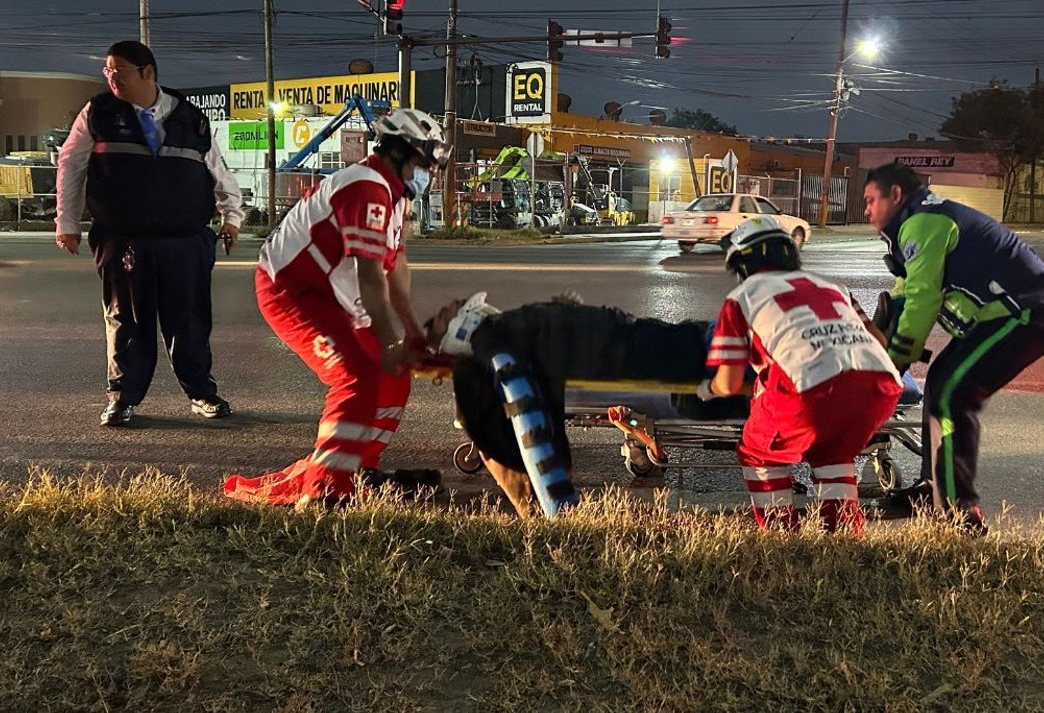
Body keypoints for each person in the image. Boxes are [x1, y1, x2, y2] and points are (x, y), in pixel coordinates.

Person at [222, 108, 446, 507]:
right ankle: (325, 492)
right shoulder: (365, 187)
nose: (429, 173)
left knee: (394, 375)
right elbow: (371, 276)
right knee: (356, 377)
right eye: (425, 162)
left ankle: (359, 469)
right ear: (399, 153)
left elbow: (396, 268)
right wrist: (391, 339)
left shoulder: (395, 195)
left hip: (336, 296)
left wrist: (411, 334)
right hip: (293, 291)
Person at [862, 163, 1044, 536]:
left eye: (871, 200)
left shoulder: (923, 223)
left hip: (1025, 313)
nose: (866, 210)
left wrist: (896, 362)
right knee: (941, 381)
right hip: (1007, 313)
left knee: (952, 394)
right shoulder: (916, 222)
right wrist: (884, 338)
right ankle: (933, 489)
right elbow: (905, 294)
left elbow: (923, 300)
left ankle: (959, 511)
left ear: (895, 195)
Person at [55, 40, 244, 427]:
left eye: (119, 71)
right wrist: (67, 222)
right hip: (123, 238)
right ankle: (122, 397)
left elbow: (217, 169)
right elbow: (71, 165)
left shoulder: (190, 118)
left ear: (148, 72)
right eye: (107, 71)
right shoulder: (99, 113)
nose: (111, 78)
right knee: (126, 319)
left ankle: (202, 392)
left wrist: (232, 216)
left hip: (186, 241)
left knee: (190, 320)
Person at [698, 216, 904, 533]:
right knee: (833, 452)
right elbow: (879, 341)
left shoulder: (742, 298)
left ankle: (782, 536)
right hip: (880, 386)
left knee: (758, 453)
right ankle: (843, 536)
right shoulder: (834, 288)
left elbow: (728, 383)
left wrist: (706, 389)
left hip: (809, 391)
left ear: (742, 265)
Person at [426, 292, 713, 518]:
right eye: (444, 314)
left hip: (662, 345)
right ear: (458, 331)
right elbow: (532, 427)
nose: (452, 303)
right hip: (670, 354)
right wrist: (559, 508)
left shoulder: (506, 334)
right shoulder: (501, 347)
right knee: (698, 343)